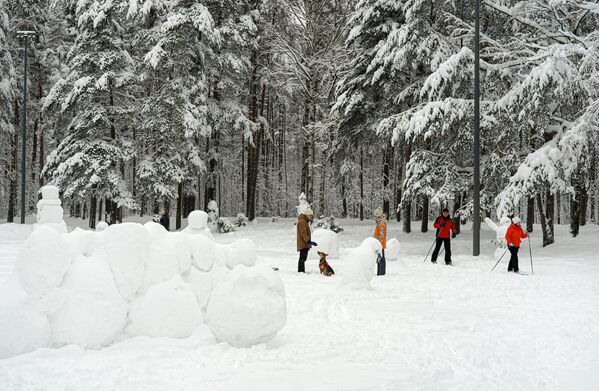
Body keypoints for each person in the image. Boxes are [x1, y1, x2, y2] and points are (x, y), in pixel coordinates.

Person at [297, 208, 316, 273]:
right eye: (310, 215)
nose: (311, 217)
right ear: (307, 215)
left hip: (304, 243)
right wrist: (308, 241)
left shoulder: (304, 221)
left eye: (311, 216)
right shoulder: (302, 222)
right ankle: (301, 271)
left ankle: (301, 271)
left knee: (303, 258)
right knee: (302, 258)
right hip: (303, 243)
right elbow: (303, 233)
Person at [373, 207, 387, 275]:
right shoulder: (379, 223)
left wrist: (379, 246)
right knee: (380, 259)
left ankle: (381, 273)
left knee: (381, 258)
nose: (375, 218)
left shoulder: (381, 224)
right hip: (379, 245)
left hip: (380, 245)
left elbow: (382, 236)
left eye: (376, 217)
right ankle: (380, 272)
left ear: (379, 216)